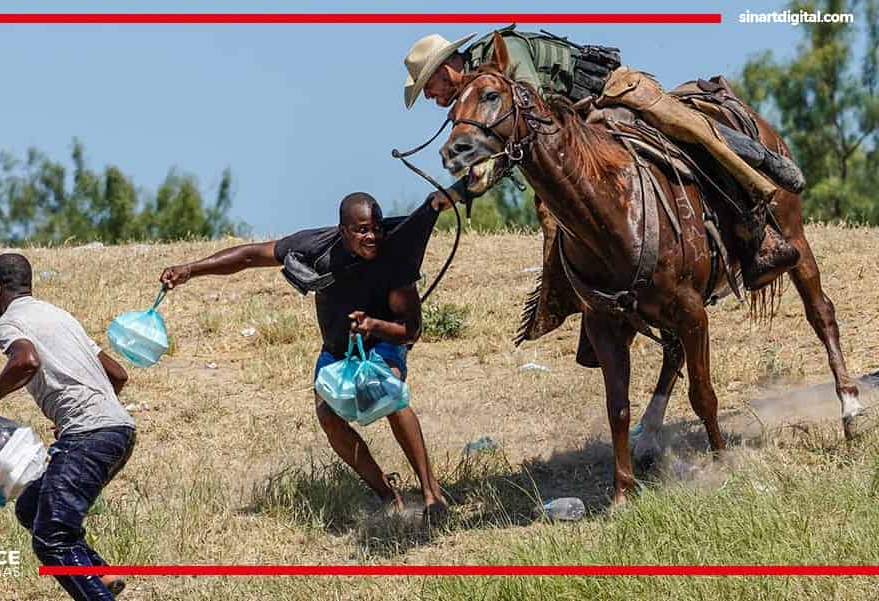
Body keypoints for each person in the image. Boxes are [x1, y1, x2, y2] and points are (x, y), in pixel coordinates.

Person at [403, 26, 807, 293]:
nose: (429, 96)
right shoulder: (475, 98)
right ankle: (582, 295)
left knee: (688, 133)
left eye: (428, 85)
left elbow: (529, 120)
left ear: (447, 67)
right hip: (579, 130)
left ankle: (758, 214)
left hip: (612, 95)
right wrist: (460, 187)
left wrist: (462, 187)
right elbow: (514, 144)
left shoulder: (501, 55)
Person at [159, 193, 452, 520]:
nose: (372, 237)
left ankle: (431, 495)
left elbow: (411, 330)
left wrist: (373, 325)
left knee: (388, 394)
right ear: (343, 230)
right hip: (337, 350)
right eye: (362, 230)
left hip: (383, 340)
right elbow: (250, 256)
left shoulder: (393, 257)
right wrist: (190, 269)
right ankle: (388, 496)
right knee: (328, 416)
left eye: (377, 229)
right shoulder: (316, 247)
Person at [0, 253, 135, 601]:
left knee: (52, 538)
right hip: (118, 430)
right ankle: (99, 574)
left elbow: (25, 361)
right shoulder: (59, 315)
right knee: (31, 507)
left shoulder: (9, 322)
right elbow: (117, 374)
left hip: (90, 435)